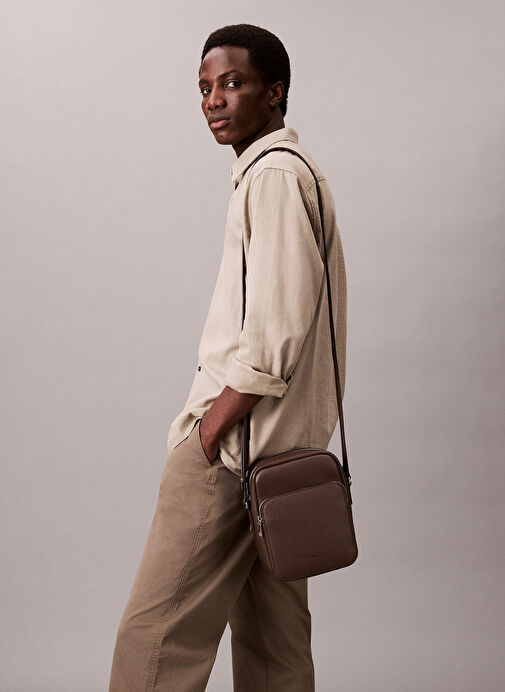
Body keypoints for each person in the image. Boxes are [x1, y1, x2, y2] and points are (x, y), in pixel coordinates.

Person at [109, 22, 347, 692]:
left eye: (233, 82)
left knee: (153, 641)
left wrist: (210, 428)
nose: (213, 99)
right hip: (283, 459)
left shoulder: (273, 177)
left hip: (235, 450)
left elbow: (274, 333)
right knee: (276, 650)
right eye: (204, 87)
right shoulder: (287, 173)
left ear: (275, 92)